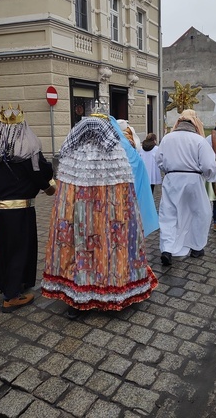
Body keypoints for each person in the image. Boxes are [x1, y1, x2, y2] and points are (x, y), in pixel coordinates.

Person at [41, 114, 158, 319]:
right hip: (109, 221)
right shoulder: (117, 153)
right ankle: (116, 290)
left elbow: (63, 204)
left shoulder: (72, 157)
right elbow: (128, 194)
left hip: (81, 223)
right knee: (109, 250)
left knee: (82, 251)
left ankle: (79, 298)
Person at [0, 105, 55, 312]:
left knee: (3, 247)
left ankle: (10, 283)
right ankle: (11, 295)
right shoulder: (27, 148)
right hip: (19, 209)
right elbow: (41, 172)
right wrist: (48, 185)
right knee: (19, 248)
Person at [156, 109, 216, 266]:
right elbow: (208, 165)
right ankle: (196, 247)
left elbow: (160, 161)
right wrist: (211, 174)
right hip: (193, 180)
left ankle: (167, 249)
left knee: (169, 214)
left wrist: (171, 170)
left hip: (172, 179)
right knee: (199, 212)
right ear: (195, 123)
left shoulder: (167, 139)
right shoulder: (199, 140)